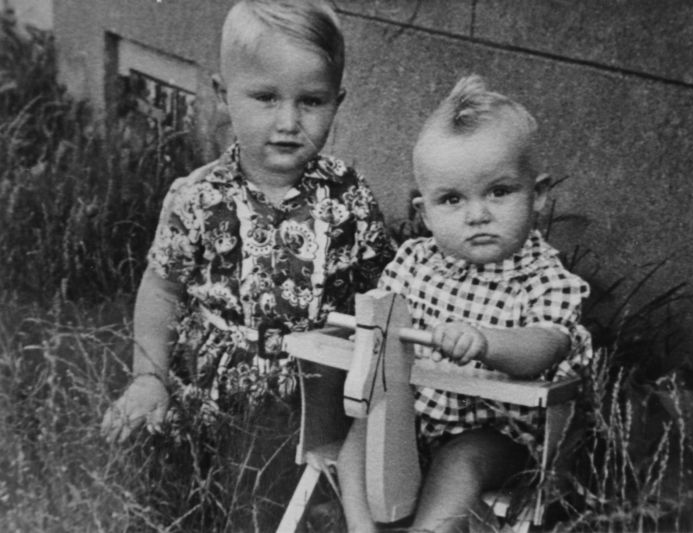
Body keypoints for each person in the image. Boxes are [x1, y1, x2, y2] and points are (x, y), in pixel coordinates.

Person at [101, 0, 395, 446]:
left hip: (317, 399)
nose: (288, 122)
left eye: (311, 101)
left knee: (310, 479)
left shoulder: (349, 196)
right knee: (195, 475)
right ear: (223, 95)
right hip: (210, 394)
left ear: (337, 103)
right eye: (266, 98)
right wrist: (148, 377)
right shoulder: (198, 197)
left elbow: (384, 289)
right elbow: (162, 290)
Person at [338, 75, 593, 533]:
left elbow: (545, 346)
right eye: (452, 199)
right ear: (424, 213)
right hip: (415, 417)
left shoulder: (545, 279)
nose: (477, 215)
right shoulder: (414, 264)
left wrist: (486, 343)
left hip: (500, 435)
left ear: (537, 194)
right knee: (360, 433)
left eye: (499, 191)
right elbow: (383, 331)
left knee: (462, 459)